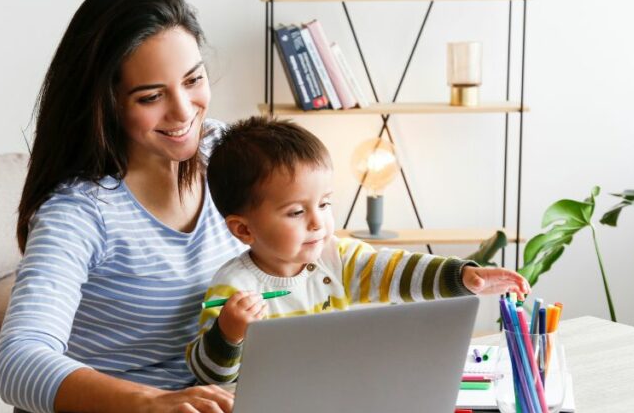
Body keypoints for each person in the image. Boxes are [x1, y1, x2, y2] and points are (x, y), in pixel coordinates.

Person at [0, 0, 245, 413]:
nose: (184, 110)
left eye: (193, 80)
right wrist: (155, 403)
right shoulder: (80, 211)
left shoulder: (227, 154)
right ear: (106, 103)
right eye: (151, 97)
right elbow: (18, 362)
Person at [186, 116, 531, 385]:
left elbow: (395, 270)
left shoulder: (337, 257)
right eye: (296, 212)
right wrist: (228, 333)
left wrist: (461, 277)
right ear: (244, 229)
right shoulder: (233, 287)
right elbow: (210, 376)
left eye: (324, 204)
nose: (318, 222)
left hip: (340, 396)